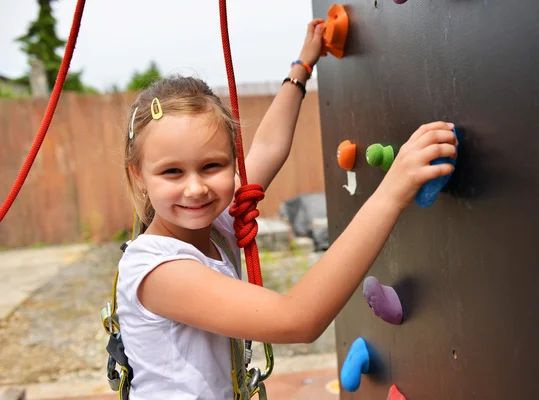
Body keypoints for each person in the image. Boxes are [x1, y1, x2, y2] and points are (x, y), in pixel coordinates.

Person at [117, 18, 458, 400]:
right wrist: (393, 190)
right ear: (139, 176)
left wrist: (302, 66)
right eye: (171, 172)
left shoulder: (214, 228)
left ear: (233, 163)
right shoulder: (157, 269)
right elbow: (298, 320)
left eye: (212, 166)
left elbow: (266, 149)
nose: (195, 187)